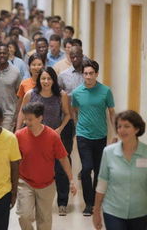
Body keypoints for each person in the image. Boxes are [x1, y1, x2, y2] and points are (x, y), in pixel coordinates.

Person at [16, 102, 76, 230]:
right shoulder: (19, 135)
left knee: (44, 221)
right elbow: (13, 160)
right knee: (24, 216)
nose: (27, 122)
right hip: (25, 182)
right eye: (25, 119)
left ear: (40, 118)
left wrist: (71, 180)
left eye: (30, 119)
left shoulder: (52, 136)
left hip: (47, 184)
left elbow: (63, 158)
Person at [72, 59, 115, 216]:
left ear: (96, 74)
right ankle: (88, 203)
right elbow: (74, 110)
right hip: (83, 135)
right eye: (85, 74)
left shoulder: (106, 91)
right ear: (82, 74)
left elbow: (111, 112)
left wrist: (116, 133)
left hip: (101, 135)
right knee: (86, 169)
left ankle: (97, 202)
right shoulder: (77, 93)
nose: (88, 77)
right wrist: (78, 127)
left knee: (98, 171)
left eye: (91, 74)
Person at [93, 110, 147, 230]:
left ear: (137, 129)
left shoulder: (146, 153)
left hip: (141, 212)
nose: (122, 130)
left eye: (127, 126)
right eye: (119, 127)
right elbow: (102, 184)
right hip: (113, 211)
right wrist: (96, 211)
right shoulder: (108, 152)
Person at [56, 46, 85, 215]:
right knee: (64, 154)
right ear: (69, 56)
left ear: (82, 55)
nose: (75, 59)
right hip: (68, 118)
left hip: (85, 117)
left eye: (77, 56)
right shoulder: (63, 76)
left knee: (77, 151)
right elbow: (59, 96)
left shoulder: (88, 72)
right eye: (72, 56)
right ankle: (62, 198)